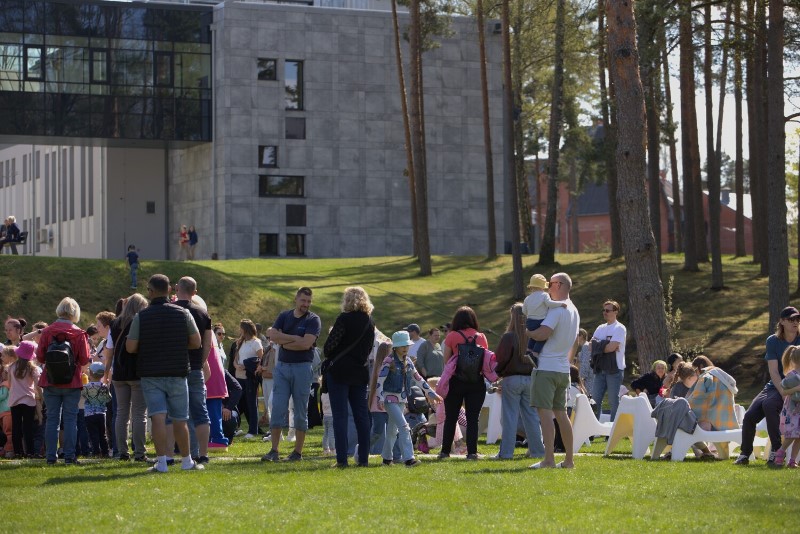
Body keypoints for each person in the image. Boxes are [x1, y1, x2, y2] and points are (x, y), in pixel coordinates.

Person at [126, 274, 203, 473]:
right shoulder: (183, 313)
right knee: (180, 418)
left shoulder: (141, 316)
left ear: (150, 292)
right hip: (177, 371)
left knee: (157, 417)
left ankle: (161, 462)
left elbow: (130, 347)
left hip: (151, 373)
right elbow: (196, 342)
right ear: (170, 290)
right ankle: (186, 461)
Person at [527, 272, 580, 469]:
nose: (547, 287)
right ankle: (569, 460)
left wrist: (527, 332)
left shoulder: (556, 310)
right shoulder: (574, 309)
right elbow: (575, 342)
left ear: (558, 285)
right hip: (562, 370)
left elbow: (543, 334)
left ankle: (548, 459)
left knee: (545, 414)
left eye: (549, 283)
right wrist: (567, 362)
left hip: (546, 368)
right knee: (562, 415)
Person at [262, 287, 321, 462]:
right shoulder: (284, 316)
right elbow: (273, 336)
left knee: (300, 410)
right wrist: (295, 338)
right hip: (282, 367)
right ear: (296, 299)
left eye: (309, 301)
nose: (306, 304)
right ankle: (274, 450)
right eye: (303, 300)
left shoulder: (313, 320)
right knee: (278, 408)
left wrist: (284, 340)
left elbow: (306, 344)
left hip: (302, 368)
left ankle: (297, 452)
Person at [735, 306, 800, 466]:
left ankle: (776, 452)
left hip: (796, 385)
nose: (795, 322)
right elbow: (774, 371)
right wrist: (783, 391)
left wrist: (788, 391)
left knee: (769, 405)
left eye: (798, 319)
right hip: (776, 385)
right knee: (750, 415)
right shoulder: (772, 340)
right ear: (782, 321)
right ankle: (744, 454)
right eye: (791, 319)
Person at [322, 286, 375, 468]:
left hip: (340, 372)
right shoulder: (369, 322)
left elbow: (328, 347)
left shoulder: (343, 319)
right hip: (359, 372)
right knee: (362, 416)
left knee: (340, 416)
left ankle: (342, 460)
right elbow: (368, 348)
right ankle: (364, 459)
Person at [35, 298, 91, 465]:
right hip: (72, 381)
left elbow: (40, 357)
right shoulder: (79, 333)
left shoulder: (47, 331)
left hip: (50, 380)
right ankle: (69, 456)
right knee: (71, 419)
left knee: (52, 419)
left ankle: (51, 457)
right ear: (75, 313)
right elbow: (85, 359)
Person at [438, 305, 497, 460]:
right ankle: (472, 452)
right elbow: (484, 360)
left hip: (456, 381)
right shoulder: (481, 337)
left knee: (451, 417)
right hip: (476, 381)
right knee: (473, 418)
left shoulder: (452, 336)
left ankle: (445, 452)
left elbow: (446, 361)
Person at [376, 331, 441, 466]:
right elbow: (380, 381)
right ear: (395, 347)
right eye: (402, 345)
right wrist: (380, 398)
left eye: (406, 345)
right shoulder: (388, 361)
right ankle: (409, 459)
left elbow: (419, 379)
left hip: (402, 400)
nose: (405, 348)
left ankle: (386, 459)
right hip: (389, 400)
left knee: (392, 430)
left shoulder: (408, 361)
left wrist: (431, 393)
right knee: (404, 427)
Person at [494, 303, 545, 460]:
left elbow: (500, 360)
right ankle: (538, 451)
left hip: (512, 379)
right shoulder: (533, 336)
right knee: (531, 417)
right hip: (530, 379)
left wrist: (498, 374)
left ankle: (506, 453)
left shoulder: (509, 337)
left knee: (509, 418)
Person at [104, 294, 149, 461]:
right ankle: (140, 452)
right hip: (137, 372)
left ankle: (122, 451)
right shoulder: (141, 321)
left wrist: (107, 371)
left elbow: (109, 350)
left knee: (122, 414)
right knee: (139, 414)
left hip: (119, 372)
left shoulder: (115, 323)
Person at [174, 277, 213, 463]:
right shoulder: (203, 314)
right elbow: (207, 344)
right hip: (196, 366)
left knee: (179, 413)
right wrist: (200, 361)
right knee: (200, 411)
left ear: (176, 289)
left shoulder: (171, 310)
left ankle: (187, 453)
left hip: (175, 367)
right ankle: (203, 454)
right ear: (194, 292)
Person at [591, 300, 627, 421]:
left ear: (615, 312)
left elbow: (611, 347)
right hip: (600, 369)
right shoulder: (600, 328)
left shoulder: (620, 328)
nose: (604, 313)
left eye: (607, 310)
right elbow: (591, 346)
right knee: (594, 400)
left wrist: (599, 345)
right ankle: (594, 427)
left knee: (613, 401)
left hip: (614, 370)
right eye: (603, 310)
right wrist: (607, 345)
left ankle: (614, 427)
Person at [5, 343, 41, 458]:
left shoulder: (11, 367)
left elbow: (10, 384)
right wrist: (41, 397)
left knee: (16, 427)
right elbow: (38, 385)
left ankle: (18, 452)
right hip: (28, 400)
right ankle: (30, 451)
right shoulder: (33, 368)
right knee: (28, 427)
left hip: (14, 400)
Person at [523, 274, 567, 359]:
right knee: (542, 337)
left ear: (531, 287)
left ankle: (528, 350)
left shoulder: (527, 298)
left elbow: (524, 311)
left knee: (533, 337)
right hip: (539, 321)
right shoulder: (544, 295)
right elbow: (550, 304)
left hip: (529, 322)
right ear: (542, 287)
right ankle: (535, 353)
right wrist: (561, 304)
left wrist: (530, 313)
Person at [232, 319, 263, 439]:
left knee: (251, 404)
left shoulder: (256, 342)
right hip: (239, 377)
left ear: (245, 329)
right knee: (238, 403)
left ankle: (253, 430)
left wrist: (247, 366)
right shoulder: (240, 342)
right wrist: (236, 365)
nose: (239, 330)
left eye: (241, 328)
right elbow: (235, 359)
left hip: (250, 377)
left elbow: (261, 359)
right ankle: (234, 427)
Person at [774, 346, 800, 467]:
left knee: (799, 437)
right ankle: (780, 453)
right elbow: (784, 391)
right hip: (793, 410)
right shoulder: (791, 375)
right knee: (791, 435)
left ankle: (792, 461)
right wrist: (797, 388)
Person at [82, 362, 111, 457]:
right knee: (102, 434)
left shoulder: (86, 387)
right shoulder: (104, 386)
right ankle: (105, 452)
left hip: (89, 414)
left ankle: (96, 452)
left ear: (90, 373)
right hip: (101, 413)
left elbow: (83, 395)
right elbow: (108, 398)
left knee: (92, 434)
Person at [575, 329, 593, 396]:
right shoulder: (584, 347)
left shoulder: (586, 346)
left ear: (581, 336)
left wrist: (581, 378)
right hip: (587, 377)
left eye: (576, 336)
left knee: (588, 397)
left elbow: (586, 363)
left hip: (587, 379)